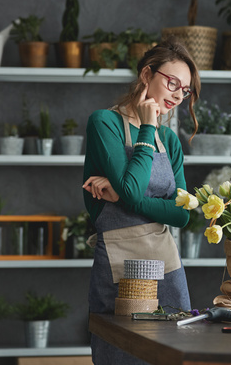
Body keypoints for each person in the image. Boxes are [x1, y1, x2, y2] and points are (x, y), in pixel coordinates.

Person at [82, 37, 201, 364]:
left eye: (185, 89)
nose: (178, 94)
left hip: (166, 262)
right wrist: (148, 127)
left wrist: (123, 194)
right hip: (119, 261)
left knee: (171, 352)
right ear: (147, 74)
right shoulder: (104, 123)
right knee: (119, 353)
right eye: (172, 82)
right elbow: (135, 191)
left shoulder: (170, 141)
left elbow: (182, 215)